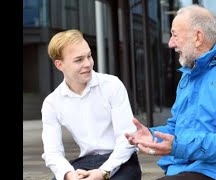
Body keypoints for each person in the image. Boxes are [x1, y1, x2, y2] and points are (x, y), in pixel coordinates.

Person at [125, 4, 216, 180]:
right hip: (191, 169)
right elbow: (177, 128)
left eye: (175, 35)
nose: (171, 43)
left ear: (198, 37)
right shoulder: (189, 75)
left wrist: (178, 146)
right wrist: (152, 135)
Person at [41, 29, 141, 180]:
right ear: (59, 65)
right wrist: (69, 175)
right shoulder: (52, 103)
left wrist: (103, 172)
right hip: (84, 162)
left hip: (121, 161)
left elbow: (127, 139)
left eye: (89, 56)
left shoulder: (112, 85)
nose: (88, 63)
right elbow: (52, 152)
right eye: (78, 60)